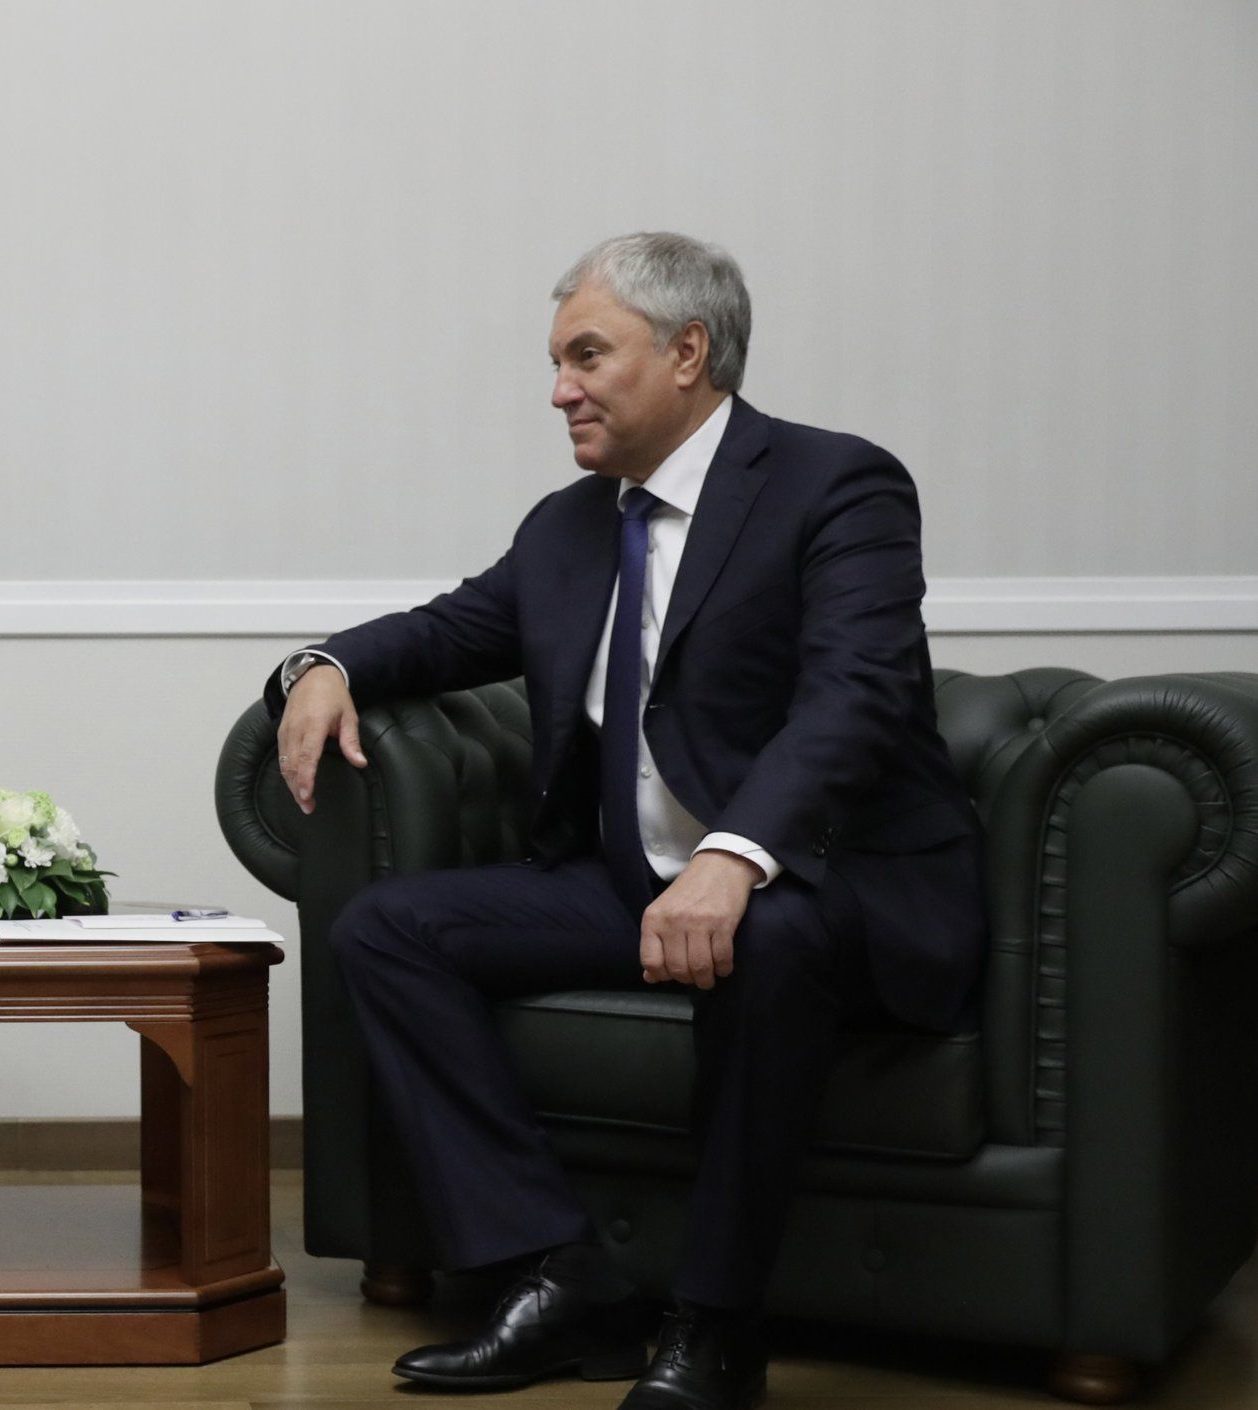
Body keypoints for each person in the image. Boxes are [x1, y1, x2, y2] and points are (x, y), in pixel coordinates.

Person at [269, 232, 984, 1410]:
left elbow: (857, 696)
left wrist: (734, 855)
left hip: (832, 884)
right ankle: (559, 1275)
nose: (560, 389)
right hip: (631, 884)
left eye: (587, 356)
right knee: (388, 931)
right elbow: (450, 631)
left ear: (688, 350)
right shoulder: (571, 526)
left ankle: (714, 1325)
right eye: (556, 363)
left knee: (773, 936)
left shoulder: (835, 484)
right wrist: (322, 664)